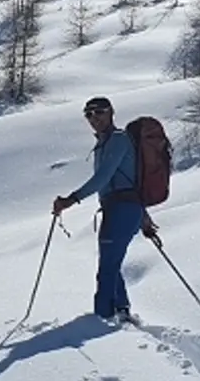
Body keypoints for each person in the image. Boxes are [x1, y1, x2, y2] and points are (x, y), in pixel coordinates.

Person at [51, 96, 143, 324]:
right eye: (88, 114)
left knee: (107, 267)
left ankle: (102, 320)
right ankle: (121, 311)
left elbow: (103, 178)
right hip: (118, 209)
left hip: (123, 209)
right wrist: (144, 218)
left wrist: (72, 199)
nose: (94, 118)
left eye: (99, 112)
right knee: (110, 263)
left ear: (111, 112)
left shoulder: (118, 140)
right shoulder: (104, 143)